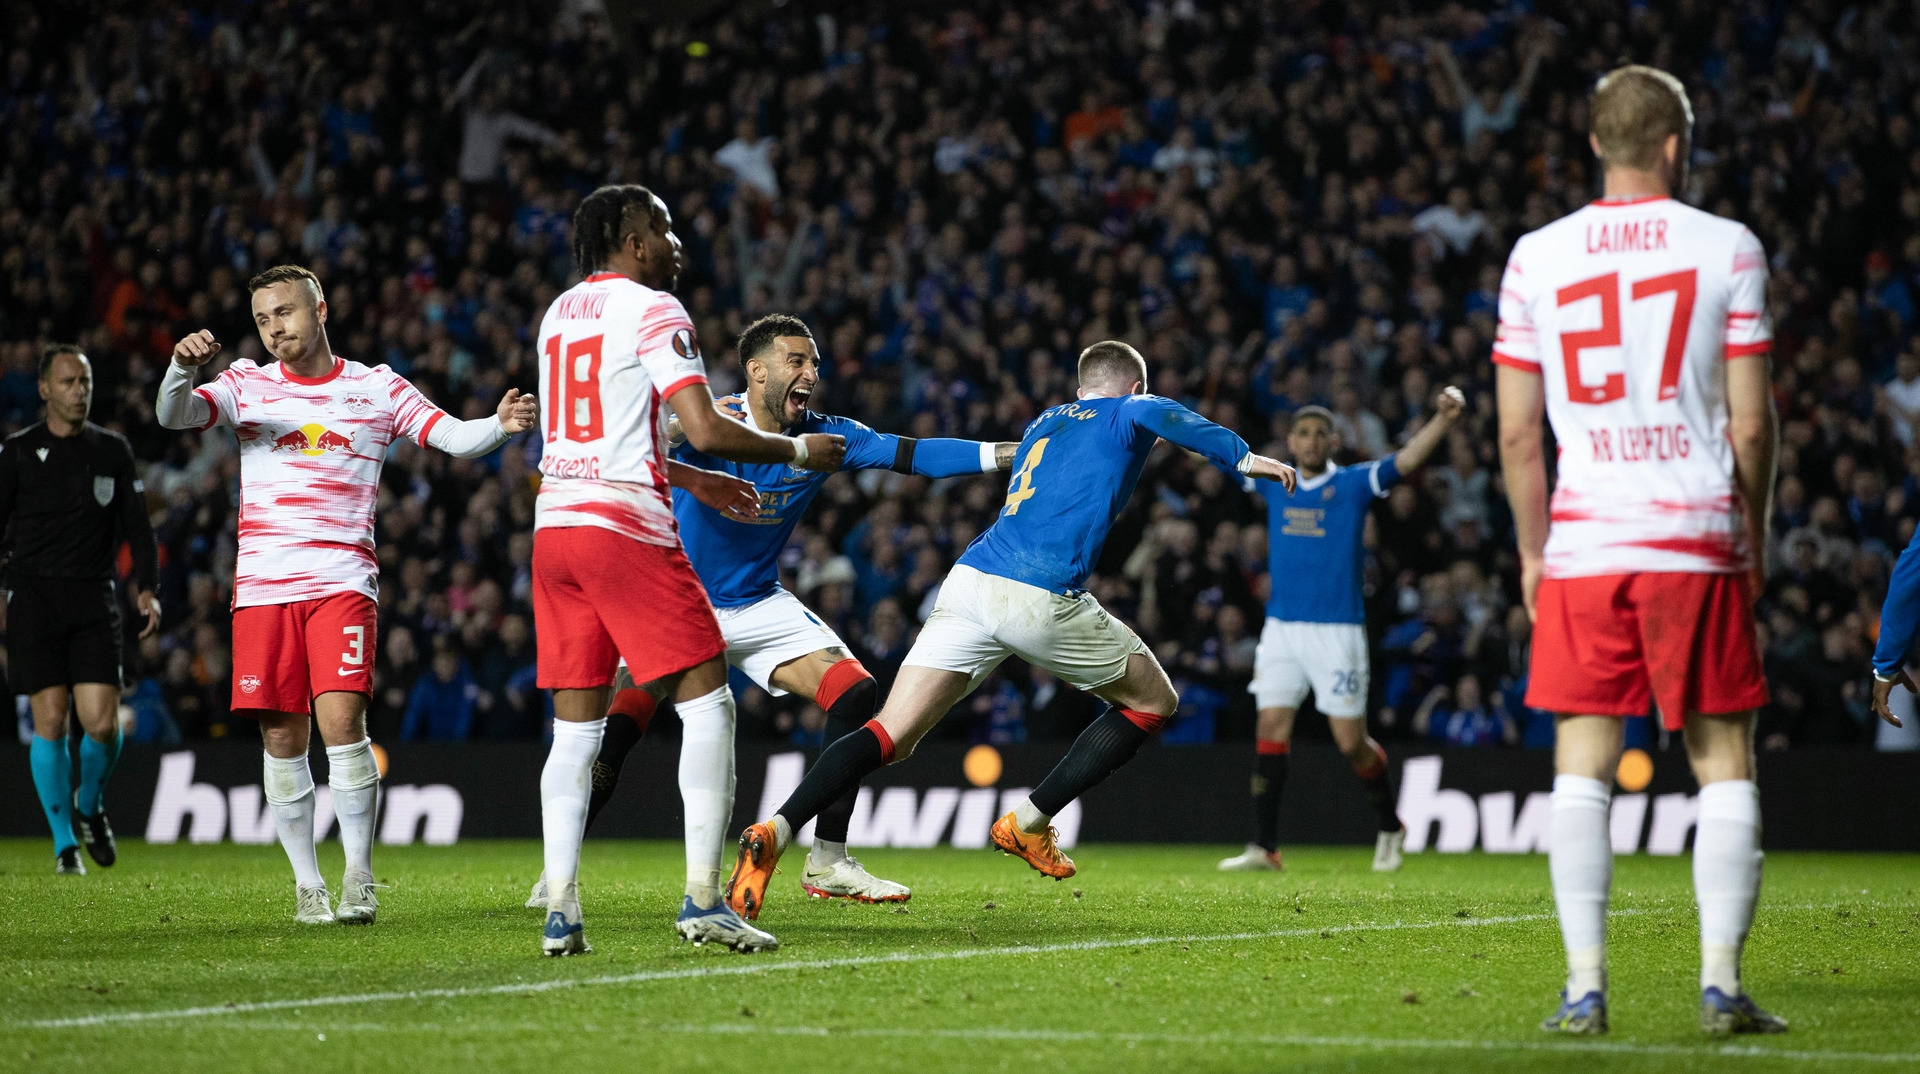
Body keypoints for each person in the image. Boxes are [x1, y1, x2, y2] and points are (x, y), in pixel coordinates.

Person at [725, 340, 1296, 922]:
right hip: (1038, 593)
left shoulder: (1045, 422)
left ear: (1079, 391)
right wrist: (1243, 457)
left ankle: (774, 829)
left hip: (971, 581)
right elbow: (1162, 415)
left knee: (890, 734)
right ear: (1133, 388)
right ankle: (1030, 820)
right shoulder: (1129, 410)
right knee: (1153, 701)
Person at [527, 312, 1013, 910]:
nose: (811, 372)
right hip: (675, 601)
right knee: (620, 729)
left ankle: (829, 860)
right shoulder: (708, 423)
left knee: (857, 695)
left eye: (814, 363)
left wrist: (1004, 453)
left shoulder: (826, 438)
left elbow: (914, 453)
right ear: (756, 371)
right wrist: (693, 477)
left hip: (754, 601)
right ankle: (558, 872)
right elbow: (622, 455)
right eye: (796, 361)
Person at [1494, 66, 1786, 1037]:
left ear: (1595, 144)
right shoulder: (1729, 248)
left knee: (1579, 768)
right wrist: (1752, 535)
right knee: (1723, 762)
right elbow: (1751, 427)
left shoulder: (1536, 257)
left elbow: (1519, 438)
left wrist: (1534, 554)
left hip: (1585, 542)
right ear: (1675, 144)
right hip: (1693, 537)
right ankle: (1719, 986)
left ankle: (1584, 989)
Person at [155, 264, 538, 925]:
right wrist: (179, 370)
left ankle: (358, 874)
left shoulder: (375, 387)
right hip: (263, 587)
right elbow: (175, 415)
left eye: (287, 312)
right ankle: (309, 886)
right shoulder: (248, 384)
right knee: (282, 736)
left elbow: (450, 435)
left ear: (321, 309)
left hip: (340, 582)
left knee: (343, 727)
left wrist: (499, 425)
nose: (276, 328)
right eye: (264, 319)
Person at [529, 184, 846, 957]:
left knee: (576, 733)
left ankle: (561, 909)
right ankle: (704, 901)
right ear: (634, 240)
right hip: (625, 528)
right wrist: (796, 450)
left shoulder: (558, 313)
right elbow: (706, 425)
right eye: (665, 230)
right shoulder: (656, 310)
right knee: (708, 706)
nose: (678, 244)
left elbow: (606, 428)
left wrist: (694, 477)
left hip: (555, 528)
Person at [1218, 386, 1463, 874]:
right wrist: (1158, 433)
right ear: (1290, 441)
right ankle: (1264, 847)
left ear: (1333, 442)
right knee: (1270, 727)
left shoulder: (1352, 484)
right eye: (1302, 434)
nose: (1310, 442)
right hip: (1283, 629)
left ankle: (1391, 825)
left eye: (1319, 435)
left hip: (1338, 633)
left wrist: (1443, 418)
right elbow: (1221, 453)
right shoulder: (1273, 480)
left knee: (1351, 742)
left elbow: (1407, 460)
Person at [1, 344, 161, 875]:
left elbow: (137, 525)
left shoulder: (112, 450)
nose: (79, 392)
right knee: (50, 719)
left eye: (85, 382)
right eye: (68, 382)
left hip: (93, 598)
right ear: (45, 389)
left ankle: (89, 804)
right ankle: (64, 845)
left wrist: (146, 586)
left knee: (101, 723)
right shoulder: (19, 452)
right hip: (34, 600)